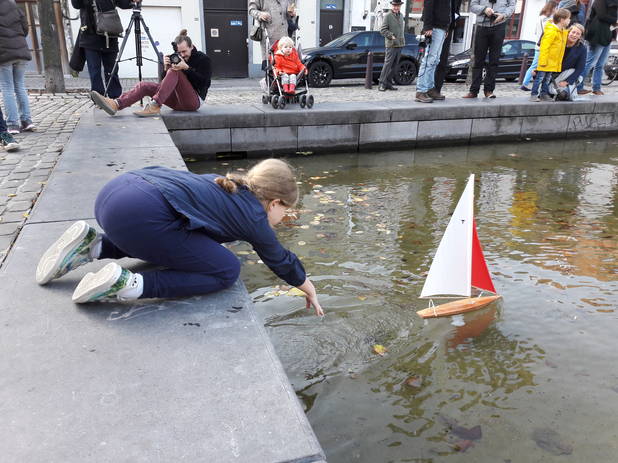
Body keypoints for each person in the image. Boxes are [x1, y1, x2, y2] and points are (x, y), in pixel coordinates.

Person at [35, 158, 325, 315]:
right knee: (226, 270)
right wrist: (307, 286)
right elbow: (280, 259)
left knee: (180, 237)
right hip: (136, 215)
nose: (284, 219)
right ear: (274, 203)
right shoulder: (254, 215)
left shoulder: (228, 186)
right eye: (286, 212)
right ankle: (128, 284)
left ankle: (94, 245)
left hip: (116, 194)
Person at [90, 30, 211, 117]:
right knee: (144, 85)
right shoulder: (177, 57)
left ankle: (155, 105)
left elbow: (204, 83)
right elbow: (164, 85)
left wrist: (186, 68)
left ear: (192, 46)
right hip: (176, 101)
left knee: (176, 72)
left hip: (193, 102)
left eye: (184, 51)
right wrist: (165, 67)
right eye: (179, 52)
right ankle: (116, 104)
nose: (182, 55)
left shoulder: (203, 59)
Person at [71, 0, 133, 99]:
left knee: (112, 69)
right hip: (90, 36)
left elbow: (124, 3)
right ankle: (99, 98)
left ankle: (115, 98)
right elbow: (76, 4)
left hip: (110, 36)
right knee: (95, 70)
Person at [463, 0, 516, 99]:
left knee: (494, 61)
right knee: (478, 61)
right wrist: (484, 9)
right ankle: (473, 91)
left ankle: (489, 90)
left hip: (499, 26)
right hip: (482, 27)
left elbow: (512, 6)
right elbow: (473, 6)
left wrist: (504, 15)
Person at [0, 0, 34, 134]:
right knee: (20, 86)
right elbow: (25, 27)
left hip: (4, 54)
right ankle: (27, 121)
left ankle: (13, 124)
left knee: (7, 88)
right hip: (21, 50)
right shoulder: (13, 4)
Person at [415, 0, 455, 102]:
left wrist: (446, 28)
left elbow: (446, 9)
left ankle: (429, 88)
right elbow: (428, 5)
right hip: (434, 27)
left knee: (435, 60)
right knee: (429, 59)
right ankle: (420, 90)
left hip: (441, 27)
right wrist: (428, 26)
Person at [578, 0, 618, 95]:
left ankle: (596, 87)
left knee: (601, 64)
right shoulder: (600, 1)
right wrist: (615, 21)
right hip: (597, 35)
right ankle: (578, 87)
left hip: (607, 35)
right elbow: (601, 15)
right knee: (590, 62)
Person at [531, 8, 571, 101]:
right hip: (546, 61)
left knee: (547, 79)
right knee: (540, 78)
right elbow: (544, 47)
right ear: (562, 20)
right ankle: (534, 94)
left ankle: (543, 94)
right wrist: (543, 61)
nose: (570, 20)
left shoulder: (561, 32)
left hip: (552, 62)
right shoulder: (552, 31)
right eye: (568, 18)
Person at [521, 1, 558, 91]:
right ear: (552, 8)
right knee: (535, 65)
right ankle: (525, 83)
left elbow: (536, 32)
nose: (556, 10)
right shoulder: (546, 19)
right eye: (556, 8)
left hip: (538, 45)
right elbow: (547, 32)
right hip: (542, 46)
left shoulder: (541, 18)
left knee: (535, 65)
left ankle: (525, 83)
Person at [432, 0, 463, 100]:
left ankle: (437, 89)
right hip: (436, 26)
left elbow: (456, 10)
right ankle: (426, 89)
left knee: (443, 59)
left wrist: (455, 19)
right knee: (431, 59)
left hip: (448, 28)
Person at [249, 0, 290, 70]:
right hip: (269, 36)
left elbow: (287, 15)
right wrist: (260, 14)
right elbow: (251, 10)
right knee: (271, 69)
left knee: (287, 68)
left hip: (284, 38)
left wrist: (291, 14)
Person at [551, 23, 587, 100]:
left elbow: (580, 68)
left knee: (574, 73)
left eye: (578, 34)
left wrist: (567, 81)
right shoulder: (560, 43)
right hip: (553, 74)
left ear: (580, 36)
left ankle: (564, 92)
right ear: (568, 32)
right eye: (573, 32)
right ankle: (561, 92)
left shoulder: (582, 49)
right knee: (551, 90)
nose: (574, 35)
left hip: (567, 75)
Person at [378, 0, 405, 92]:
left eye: (397, 6)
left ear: (400, 6)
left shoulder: (401, 16)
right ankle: (381, 83)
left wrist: (402, 41)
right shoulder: (388, 16)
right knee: (387, 65)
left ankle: (388, 84)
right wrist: (391, 36)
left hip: (400, 44)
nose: (396, 7)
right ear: (392, 6)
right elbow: (382, 30)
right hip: (391, 45)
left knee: (394, 66)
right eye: (394, 6)